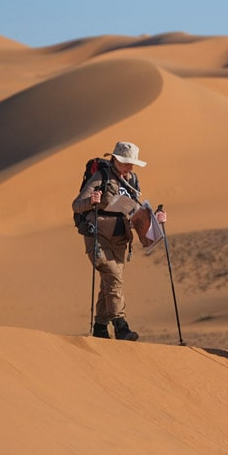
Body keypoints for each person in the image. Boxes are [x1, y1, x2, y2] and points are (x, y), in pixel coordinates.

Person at [71, 141, 166, 341]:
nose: (129, 167)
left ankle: (100, 327)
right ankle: (121, 326)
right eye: (126, 163)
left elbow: (135, 210)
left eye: (131, 163)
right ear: (115, 159)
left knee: (109, 284)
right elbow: (76, 205)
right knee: (114, 278)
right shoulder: (101, 177)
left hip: (121, 239)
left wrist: (155, 218)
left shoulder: (132, 180)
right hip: (97, 236)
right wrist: (91, 201)